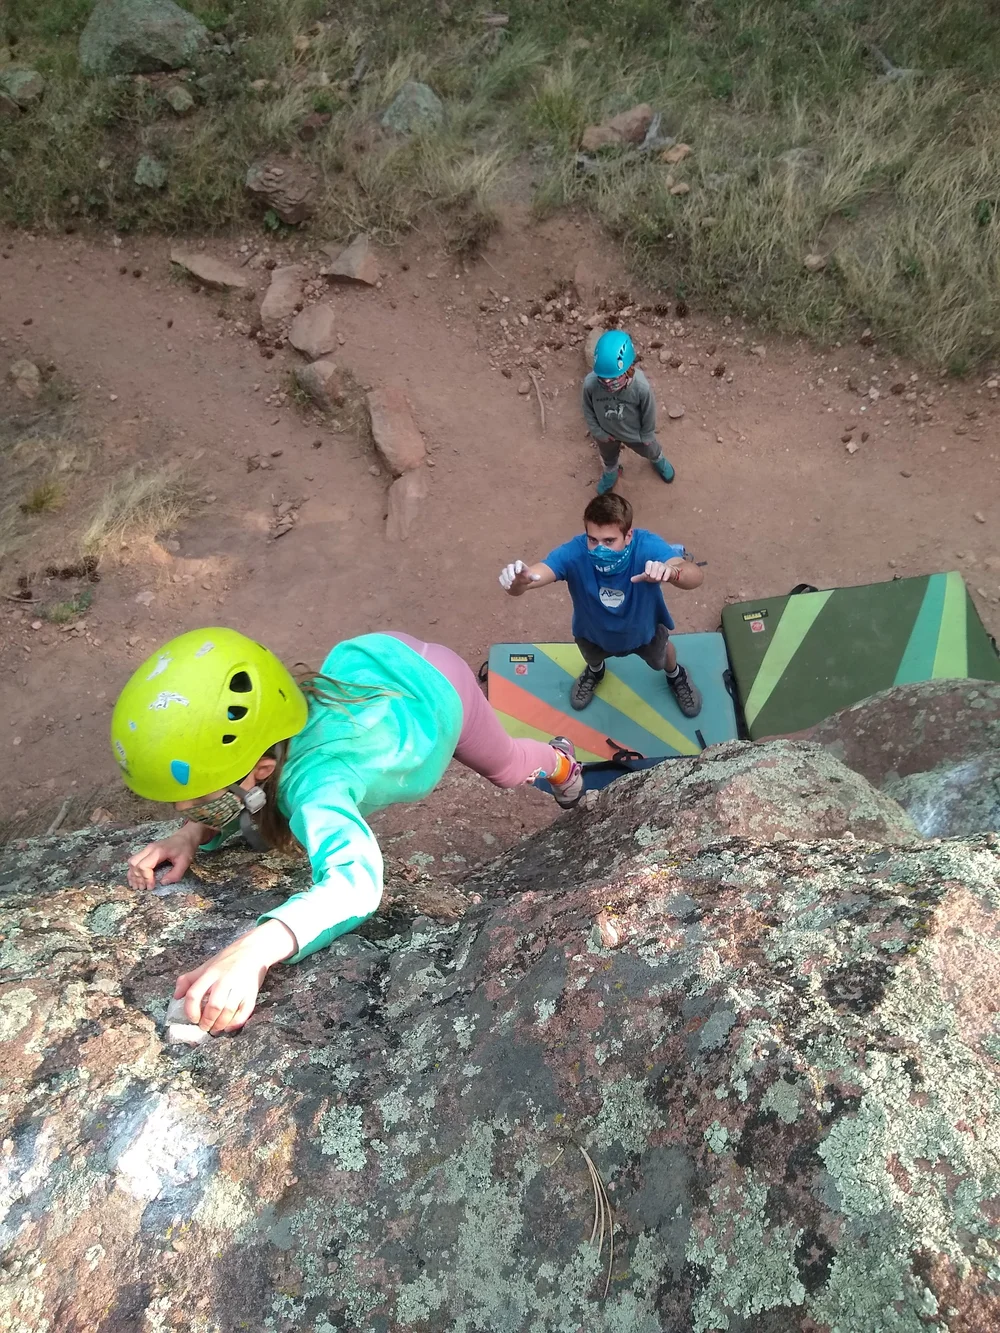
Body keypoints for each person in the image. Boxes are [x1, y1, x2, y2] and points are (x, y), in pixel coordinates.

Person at [111, 628, 585, 1035]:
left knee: (506, 768)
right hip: (381, 657)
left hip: (442, 691)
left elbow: (355, 882)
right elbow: (244, 793)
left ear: (262, 769)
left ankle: (561, 760)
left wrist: (253, 952)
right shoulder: (279, 721)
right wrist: (192, 834)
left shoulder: (317, 786)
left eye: (197, 796)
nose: (181, 807)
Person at [498, 491, 703, 715]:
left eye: (609, 541)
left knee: (663, 656)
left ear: (628, 535)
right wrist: (519, 581)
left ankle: (676, 675)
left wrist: (672, 572)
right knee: (592, 659)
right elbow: (533, 577)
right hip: (593, 633)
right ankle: (596, 672)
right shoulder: (574, 552)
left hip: (645, 632)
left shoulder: (647, 546)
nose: (599, 549)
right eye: (593, 540)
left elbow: (694, 576)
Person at [583, 329, 675, 495]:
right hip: (606, 434)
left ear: (629, 368)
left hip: (635, 433)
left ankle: (658, 460)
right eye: (602, 377)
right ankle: (611, 473)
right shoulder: (590, 384)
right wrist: (598, 432)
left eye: (613, 378)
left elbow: (649, 411)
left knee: (651, 449)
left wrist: (647, 434)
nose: (607, 382)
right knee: (608, 457)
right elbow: (588, 409)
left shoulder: (641, 387)